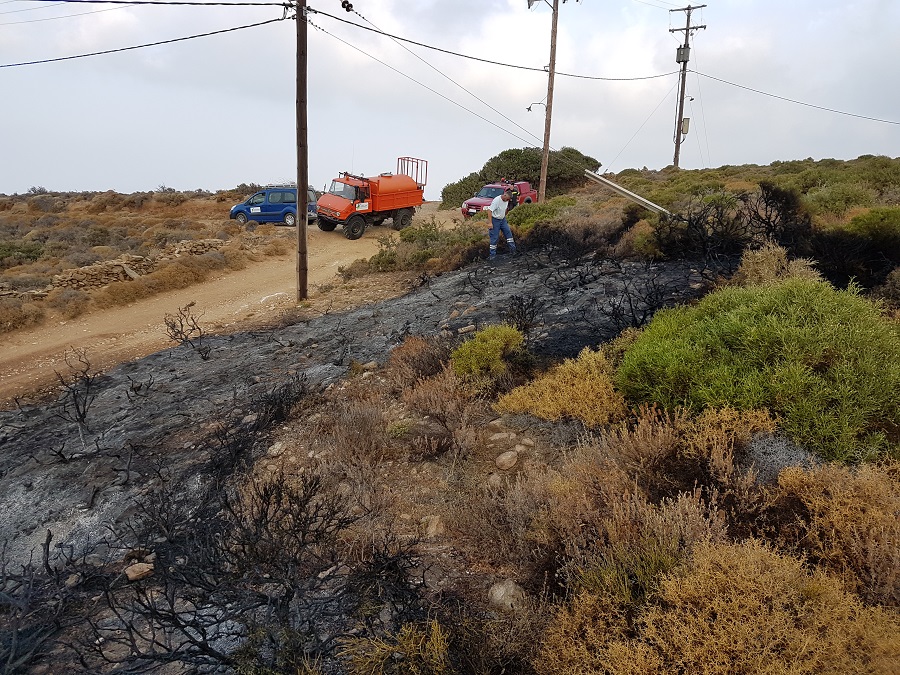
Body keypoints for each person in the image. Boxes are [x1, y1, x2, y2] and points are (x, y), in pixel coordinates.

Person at [487, 188, 518, 260]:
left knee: (508, 234)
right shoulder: (496, 201)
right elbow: (489, 211)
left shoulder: (506, 200)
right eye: (507, 199)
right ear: (505, 195)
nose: (507, 200)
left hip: (503, 220)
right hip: (495, 220)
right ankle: (492, 256)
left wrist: (504, 216)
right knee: (494, 238)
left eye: (508, 199)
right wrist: (490, 223)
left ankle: (513, 251)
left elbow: (505, 209)